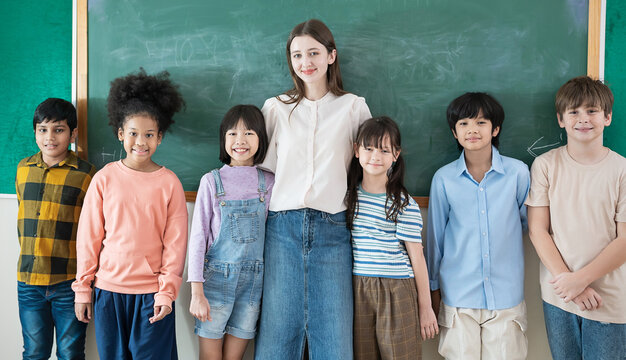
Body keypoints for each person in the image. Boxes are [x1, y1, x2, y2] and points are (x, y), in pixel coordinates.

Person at [254, 19, 371, 359]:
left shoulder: (353, 107)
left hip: (333, 228)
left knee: (333, 340)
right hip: (281, 228)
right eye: (297, 55)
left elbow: (368, 167)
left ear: (331, 56)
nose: (306, 62)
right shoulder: (275, 107)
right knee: (277, 337)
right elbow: (263, 171)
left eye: (314, 53)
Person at [71, 69, 188, 359]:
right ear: (121, 134)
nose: (141, 141)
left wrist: (167, 291)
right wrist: (83, 289)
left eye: (149, 134)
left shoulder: (169, 182)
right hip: (108, 293)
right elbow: (89, 238)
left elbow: (175, 244)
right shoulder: (104, 178)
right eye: (133, 133)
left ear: (160, 137)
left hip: (152, 294)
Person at [525, 76, 626, 360]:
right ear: (561, 119)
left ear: (607, 117)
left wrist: (581, 280)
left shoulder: (621, 170)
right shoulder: (545, 165)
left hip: (609, 298)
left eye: (592, 111)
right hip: (560, 295)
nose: (583, 119)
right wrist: (568, 281)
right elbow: (537, 230)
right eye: (574, 112)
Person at [426, 92, 530, 359]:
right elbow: (435, 239)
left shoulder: (518, 173)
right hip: (458, 298)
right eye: (463, 123)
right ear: (454, 132)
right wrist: (432, 290)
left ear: (495, 129)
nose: (472, 129)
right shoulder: (444, 179)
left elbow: (529, 225)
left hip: (506, 297)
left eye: (481, 122)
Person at [346, 117, 438, 360]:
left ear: (395, 155)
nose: (375, 156)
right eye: (369, 148)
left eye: (384, 150)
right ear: (356, 150)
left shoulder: (402, 203)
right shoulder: (348, 198)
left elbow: (417, 257)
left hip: (397, 288)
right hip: (358, 288)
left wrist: (425, 307)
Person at [187, 105, 274, 360]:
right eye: (232, 134)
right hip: (215, 283)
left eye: (249, 133)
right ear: (223, 139)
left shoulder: (269, 182)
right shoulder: (212, 181)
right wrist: (196, 292)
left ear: (261, 138)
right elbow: (198, 238)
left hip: (253, 284)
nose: (240, 141)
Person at [15, 98, 96, 359]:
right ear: (35, 132)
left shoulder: (86, 174)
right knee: (34, 352)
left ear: (73, 134)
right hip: (29, 280)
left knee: (70, 353)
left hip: (68, 282)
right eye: (43, 129)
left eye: (59, 129)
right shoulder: (23, 169)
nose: (50, 137)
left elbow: (93, 230)